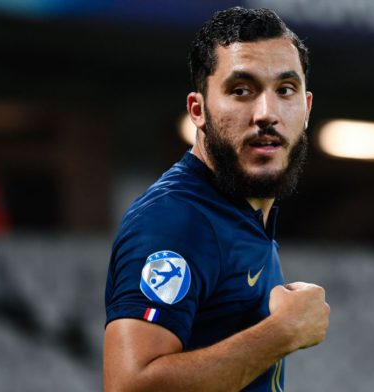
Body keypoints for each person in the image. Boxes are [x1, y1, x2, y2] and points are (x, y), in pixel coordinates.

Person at [103, 7, 330, 391]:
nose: (267, 113)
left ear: (305, 109)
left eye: (285, 90)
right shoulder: (174, 219)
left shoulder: (244, 214)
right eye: (241, 90)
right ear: (198, 110)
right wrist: (282, 333)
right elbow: (129, 386)